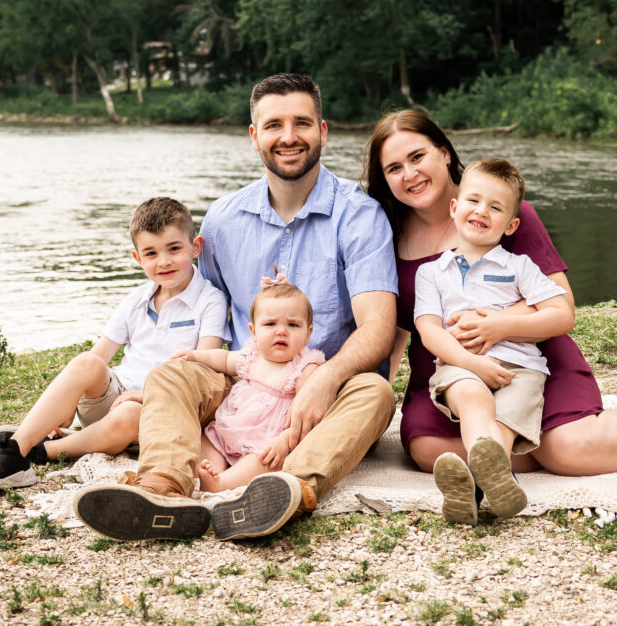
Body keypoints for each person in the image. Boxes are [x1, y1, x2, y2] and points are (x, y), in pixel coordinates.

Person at [363, 110, 617, 492]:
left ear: (443, 152)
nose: (410, 174)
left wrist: (497, 324)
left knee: (571, 446)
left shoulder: (505, 213)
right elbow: (402, 325)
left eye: (417, 157)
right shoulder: (385, 234)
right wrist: (380, 390)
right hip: (450, 371)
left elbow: (562, 307)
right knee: (429, 453)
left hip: (531, 358)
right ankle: (520, 454)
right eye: (394, 168)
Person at [74, 73, 397, 543]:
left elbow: (377, 329)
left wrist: (324, 381)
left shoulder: (359, 215)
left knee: (376, 392)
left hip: (324, 389)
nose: (288, 137)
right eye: (274, 125)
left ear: (322, 131)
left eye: (302, 123)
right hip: (242, 380)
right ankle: (163, 490)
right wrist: (165, 395)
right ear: (254, 136)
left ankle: (285, 490)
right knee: (172, 374)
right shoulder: (224, 218)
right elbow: (200, 312)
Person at [0, 197, 229, 490]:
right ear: (137, 258)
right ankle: (20, 444)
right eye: (151, 253)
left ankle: (38, 451)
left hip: (163, 406)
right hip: (114, 397)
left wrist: (145, 397)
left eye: (174, 249)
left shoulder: (210, 299)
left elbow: (201, 370)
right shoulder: (137, 298)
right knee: (87, 363)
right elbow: (99, 355)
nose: (163, 262)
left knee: (127, 413)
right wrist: (71, 399)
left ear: (196, 247)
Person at [415, 158, 574, 524]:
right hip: (460, 365)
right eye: (473, 200)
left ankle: (469, 491)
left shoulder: (519, 267)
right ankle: (496, 484)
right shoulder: (431, 272)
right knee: (472, 399)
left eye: (495, 207)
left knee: (502, 425)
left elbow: (562, 314)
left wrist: (501, 326)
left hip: (521, 370)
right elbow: (429, 330)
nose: (481, 211)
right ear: (454, 208)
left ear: (511, 224)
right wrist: (473, 364)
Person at [172, 283, 324, 493]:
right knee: (209, 439)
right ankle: (210, 472)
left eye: (293, 325)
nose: (281, 331)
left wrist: (284, 440)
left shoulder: (305, 366)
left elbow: (305, 408)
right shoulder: (252, 355)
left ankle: (223, 483)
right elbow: (223, 358)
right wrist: (196, 356)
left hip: (267, 439)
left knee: (262, 461)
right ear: (253, 331)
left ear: (308, 334)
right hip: (230, 427)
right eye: (270, 324)